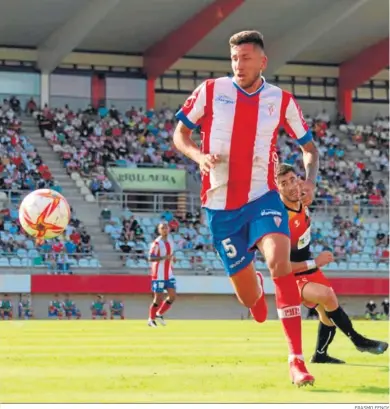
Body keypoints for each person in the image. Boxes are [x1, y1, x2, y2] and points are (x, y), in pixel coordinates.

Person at [173, 30, 319, 386]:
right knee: (249, 299)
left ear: (262, 61)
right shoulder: (210, 90)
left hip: (262, 197)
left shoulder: (281, 100)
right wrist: (199, 156)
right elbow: (180, 134)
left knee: (279, 263)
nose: (239, 64)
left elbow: (309, 149)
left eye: (246, 58)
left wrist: (310, 179)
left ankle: (296, 361)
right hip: (220, 207)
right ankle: (252, 286)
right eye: (235, 58)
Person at [276, 163, 388, 363]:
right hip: (291, 275)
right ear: (278, 188)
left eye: (293, 180)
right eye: (284, 183)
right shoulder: (280, 218)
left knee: (328, 314)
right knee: (326, 296)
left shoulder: (303, 201)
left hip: (309, 269)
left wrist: (309, 185)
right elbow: (281, 265)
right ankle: (358, 340)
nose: (291, 186)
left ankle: (320, 355)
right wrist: (315, 262)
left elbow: (312, 164)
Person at [148, 222, 176, 327]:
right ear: (159, 230)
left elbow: (171, 254)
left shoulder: (171, 240)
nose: (165, 229)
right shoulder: (157, 243)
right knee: (158, 298)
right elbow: (150, 258)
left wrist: (173, 258)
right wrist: (164, 258)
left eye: (166, 227)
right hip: (158, 274)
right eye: (162, 228)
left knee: (172, 296)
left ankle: (159, 314)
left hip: (168, 274)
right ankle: (151, 319)